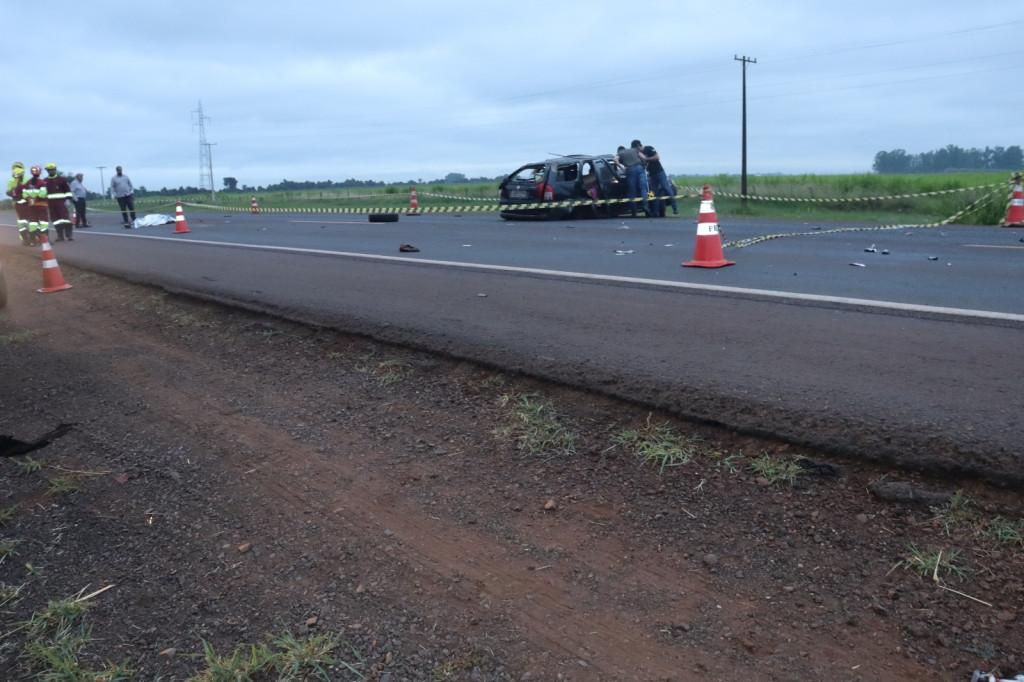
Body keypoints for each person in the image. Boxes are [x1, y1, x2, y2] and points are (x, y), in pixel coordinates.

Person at [637, 141, 678, 217]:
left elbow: (657, 157)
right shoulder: (639, 154)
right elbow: (644, 164)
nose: (637, 151)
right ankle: (655, 212)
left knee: (667, 188)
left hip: (659, 172)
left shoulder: (649, 148)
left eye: (637, 149)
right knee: (652, 193)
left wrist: (646, 158)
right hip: (651, 175)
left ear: (638, 146)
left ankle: (675, 208)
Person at [616, 140, 650, 217]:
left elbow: (615, 160)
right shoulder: (634, 150)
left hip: (630, 170)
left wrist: (621, 167)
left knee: (632, 190)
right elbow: (644, 158)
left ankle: (634, 211)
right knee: (643, 188)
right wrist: (645, 165)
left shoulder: (620, 153)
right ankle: (646, 205)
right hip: (639, 168)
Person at [43, 163, 74, 241]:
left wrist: (68, 199)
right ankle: (60, 236)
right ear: (47, 171)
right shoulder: (45, 181)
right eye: (49, 170)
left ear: (55, 170)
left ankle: (69, 235)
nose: (51, 171)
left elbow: (67, 190)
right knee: (56, 220)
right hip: (51, 204)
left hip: (61, 203)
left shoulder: (62, 179)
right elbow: (43, 193)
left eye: (52, 170)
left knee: (65, 218)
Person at [22, 165, 51, 245]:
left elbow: (24, 194)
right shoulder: (42, 183)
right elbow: (42, 195)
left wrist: (30, 199)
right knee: (44, 223)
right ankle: (44, 240)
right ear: (40, 172)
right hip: (41, 205)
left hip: (32, 206)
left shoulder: (27, 183)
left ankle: (33, 241)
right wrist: (36, 198)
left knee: (32, 223)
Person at [6, 162, 32, 246]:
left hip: (27, 202)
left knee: (29, 221)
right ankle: (25, 238)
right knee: (22, 221)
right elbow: (9, 192)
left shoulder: (27, 179)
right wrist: (14, 193)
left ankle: (30, 237)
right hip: (18, 202)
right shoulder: (11, 181)